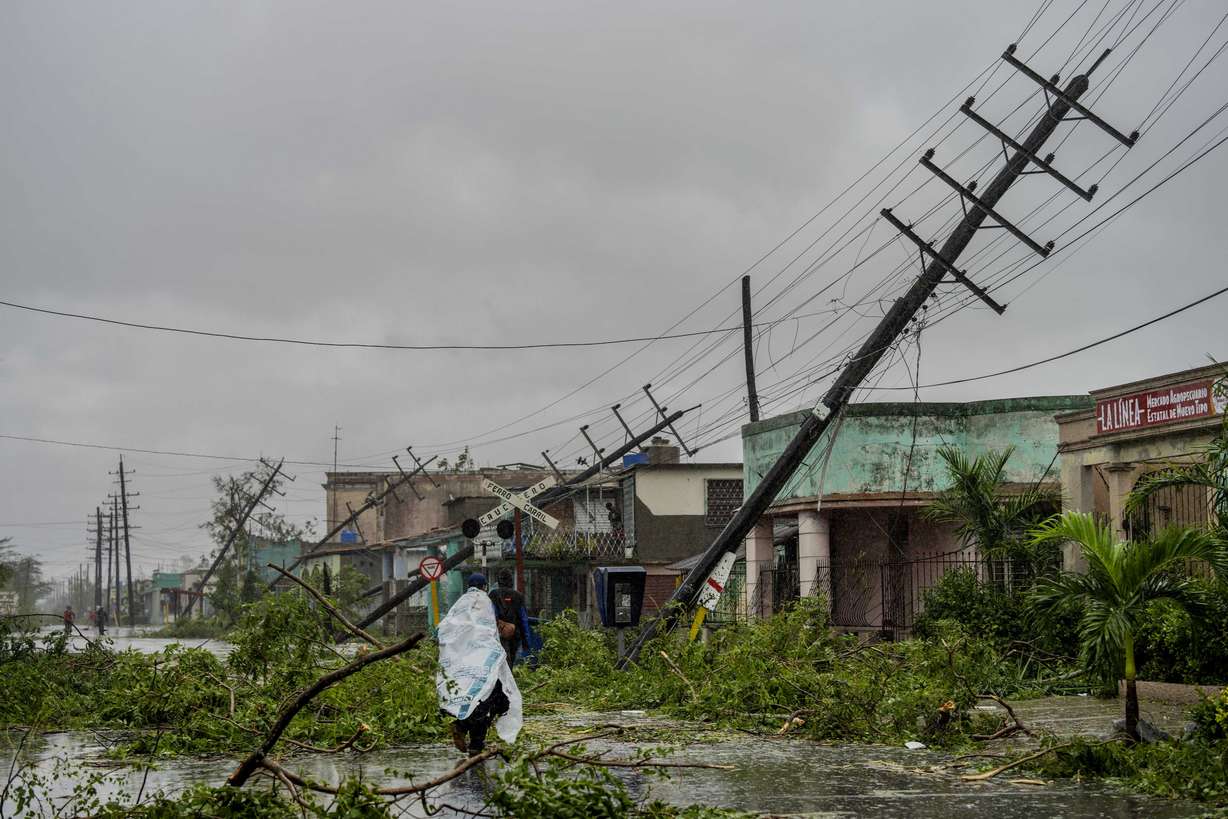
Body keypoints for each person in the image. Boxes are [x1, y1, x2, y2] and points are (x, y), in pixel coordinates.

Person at [436, 573, 523, 756]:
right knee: (493, 699)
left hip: (465, 663)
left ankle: (469, 735)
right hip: (487, 661)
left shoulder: (460, 604)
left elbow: (445, 629)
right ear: (484, 586)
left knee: (478, 697)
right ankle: (471, 738)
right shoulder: (487, 602)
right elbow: (500, 627)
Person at [489, 569, 529, 667]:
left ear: (499, 581)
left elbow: (490, 614)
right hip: (514, 635)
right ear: (511, 581)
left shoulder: (493, 594)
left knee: (499, 663)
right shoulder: (518, 596)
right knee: (510, 661)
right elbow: (524, 620)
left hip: (497, 635)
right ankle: (508, 680)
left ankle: (500, 681)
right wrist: (526, 641)